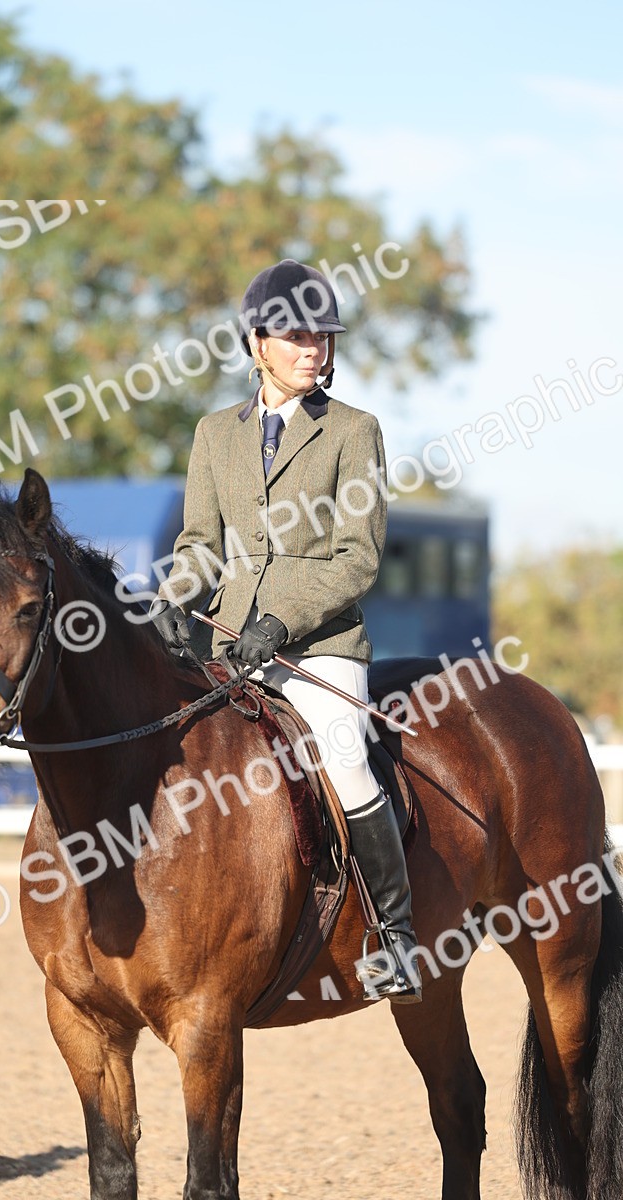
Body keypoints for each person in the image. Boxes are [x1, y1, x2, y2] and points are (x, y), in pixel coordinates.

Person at [150, 259, 420, 1003]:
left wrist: (283, 619)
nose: (314, 349)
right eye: (297, 336)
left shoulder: (354, 432)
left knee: (345, 759)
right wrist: (173, 596)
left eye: (323, 336)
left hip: (321, 649)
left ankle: (394, 936)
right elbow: (201, 542)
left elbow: (357, 558)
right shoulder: (215, 434)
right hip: (231, 643)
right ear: (257, 342)